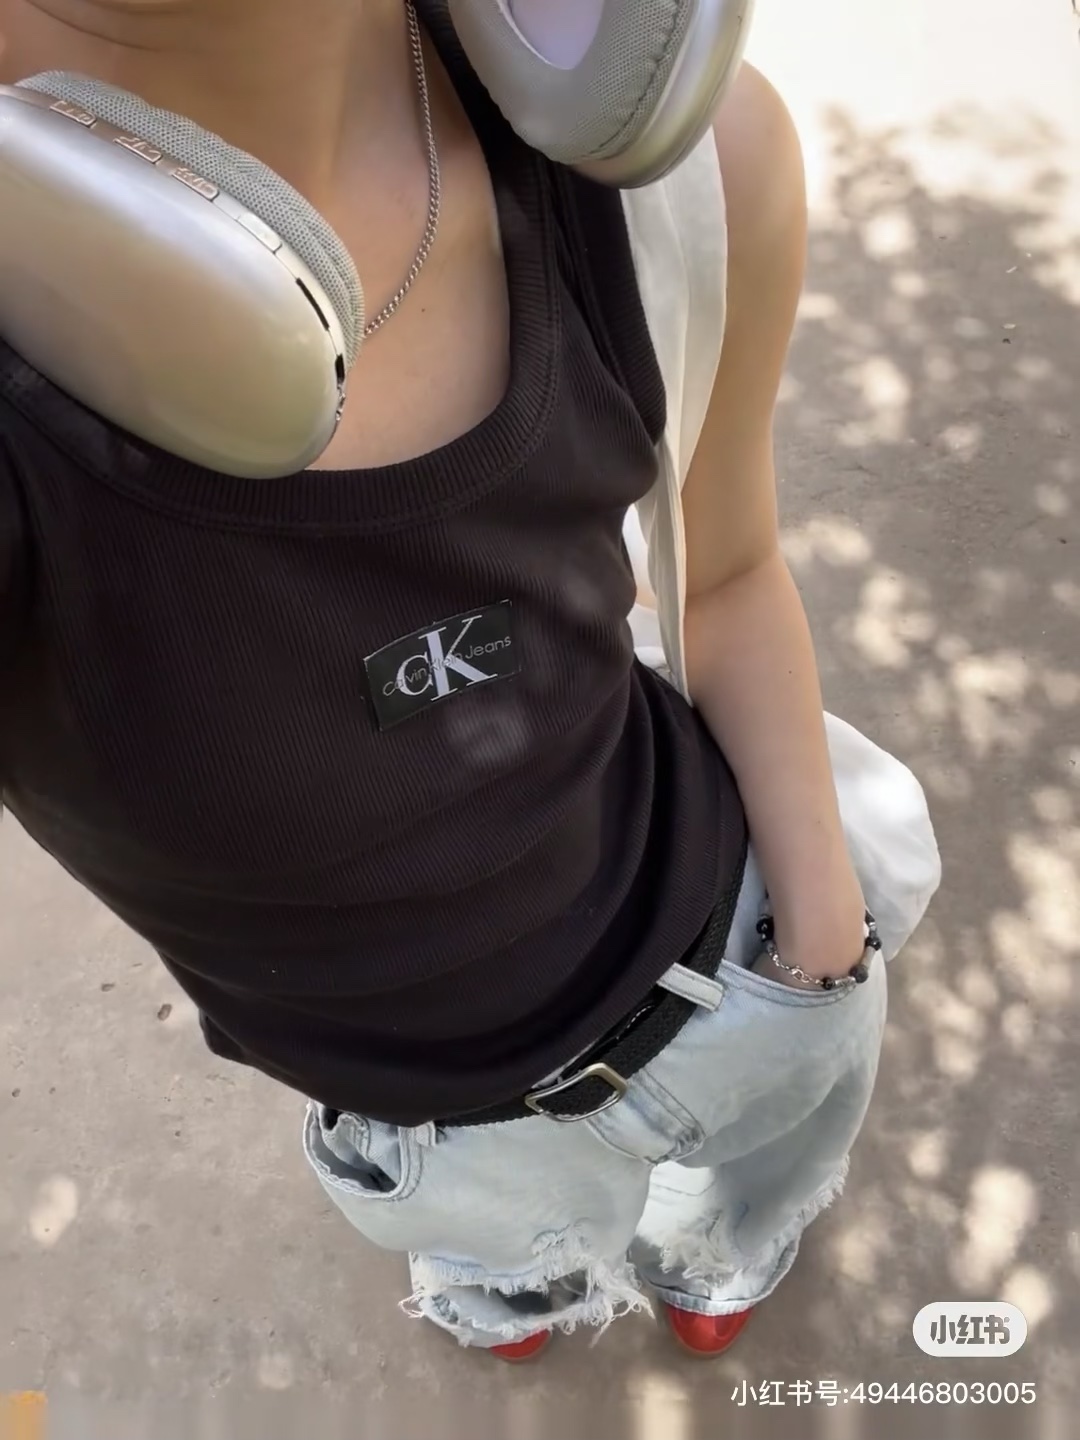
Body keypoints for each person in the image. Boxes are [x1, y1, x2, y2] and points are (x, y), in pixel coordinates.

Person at [0, 0, 940, 1360]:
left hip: (745, 961)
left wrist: (820, 949)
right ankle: (512, 1286)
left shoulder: (678, 172)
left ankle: (723, 1252)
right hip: (435, 1135)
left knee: (744, 1203)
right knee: (507, 1261)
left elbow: (729, 572)